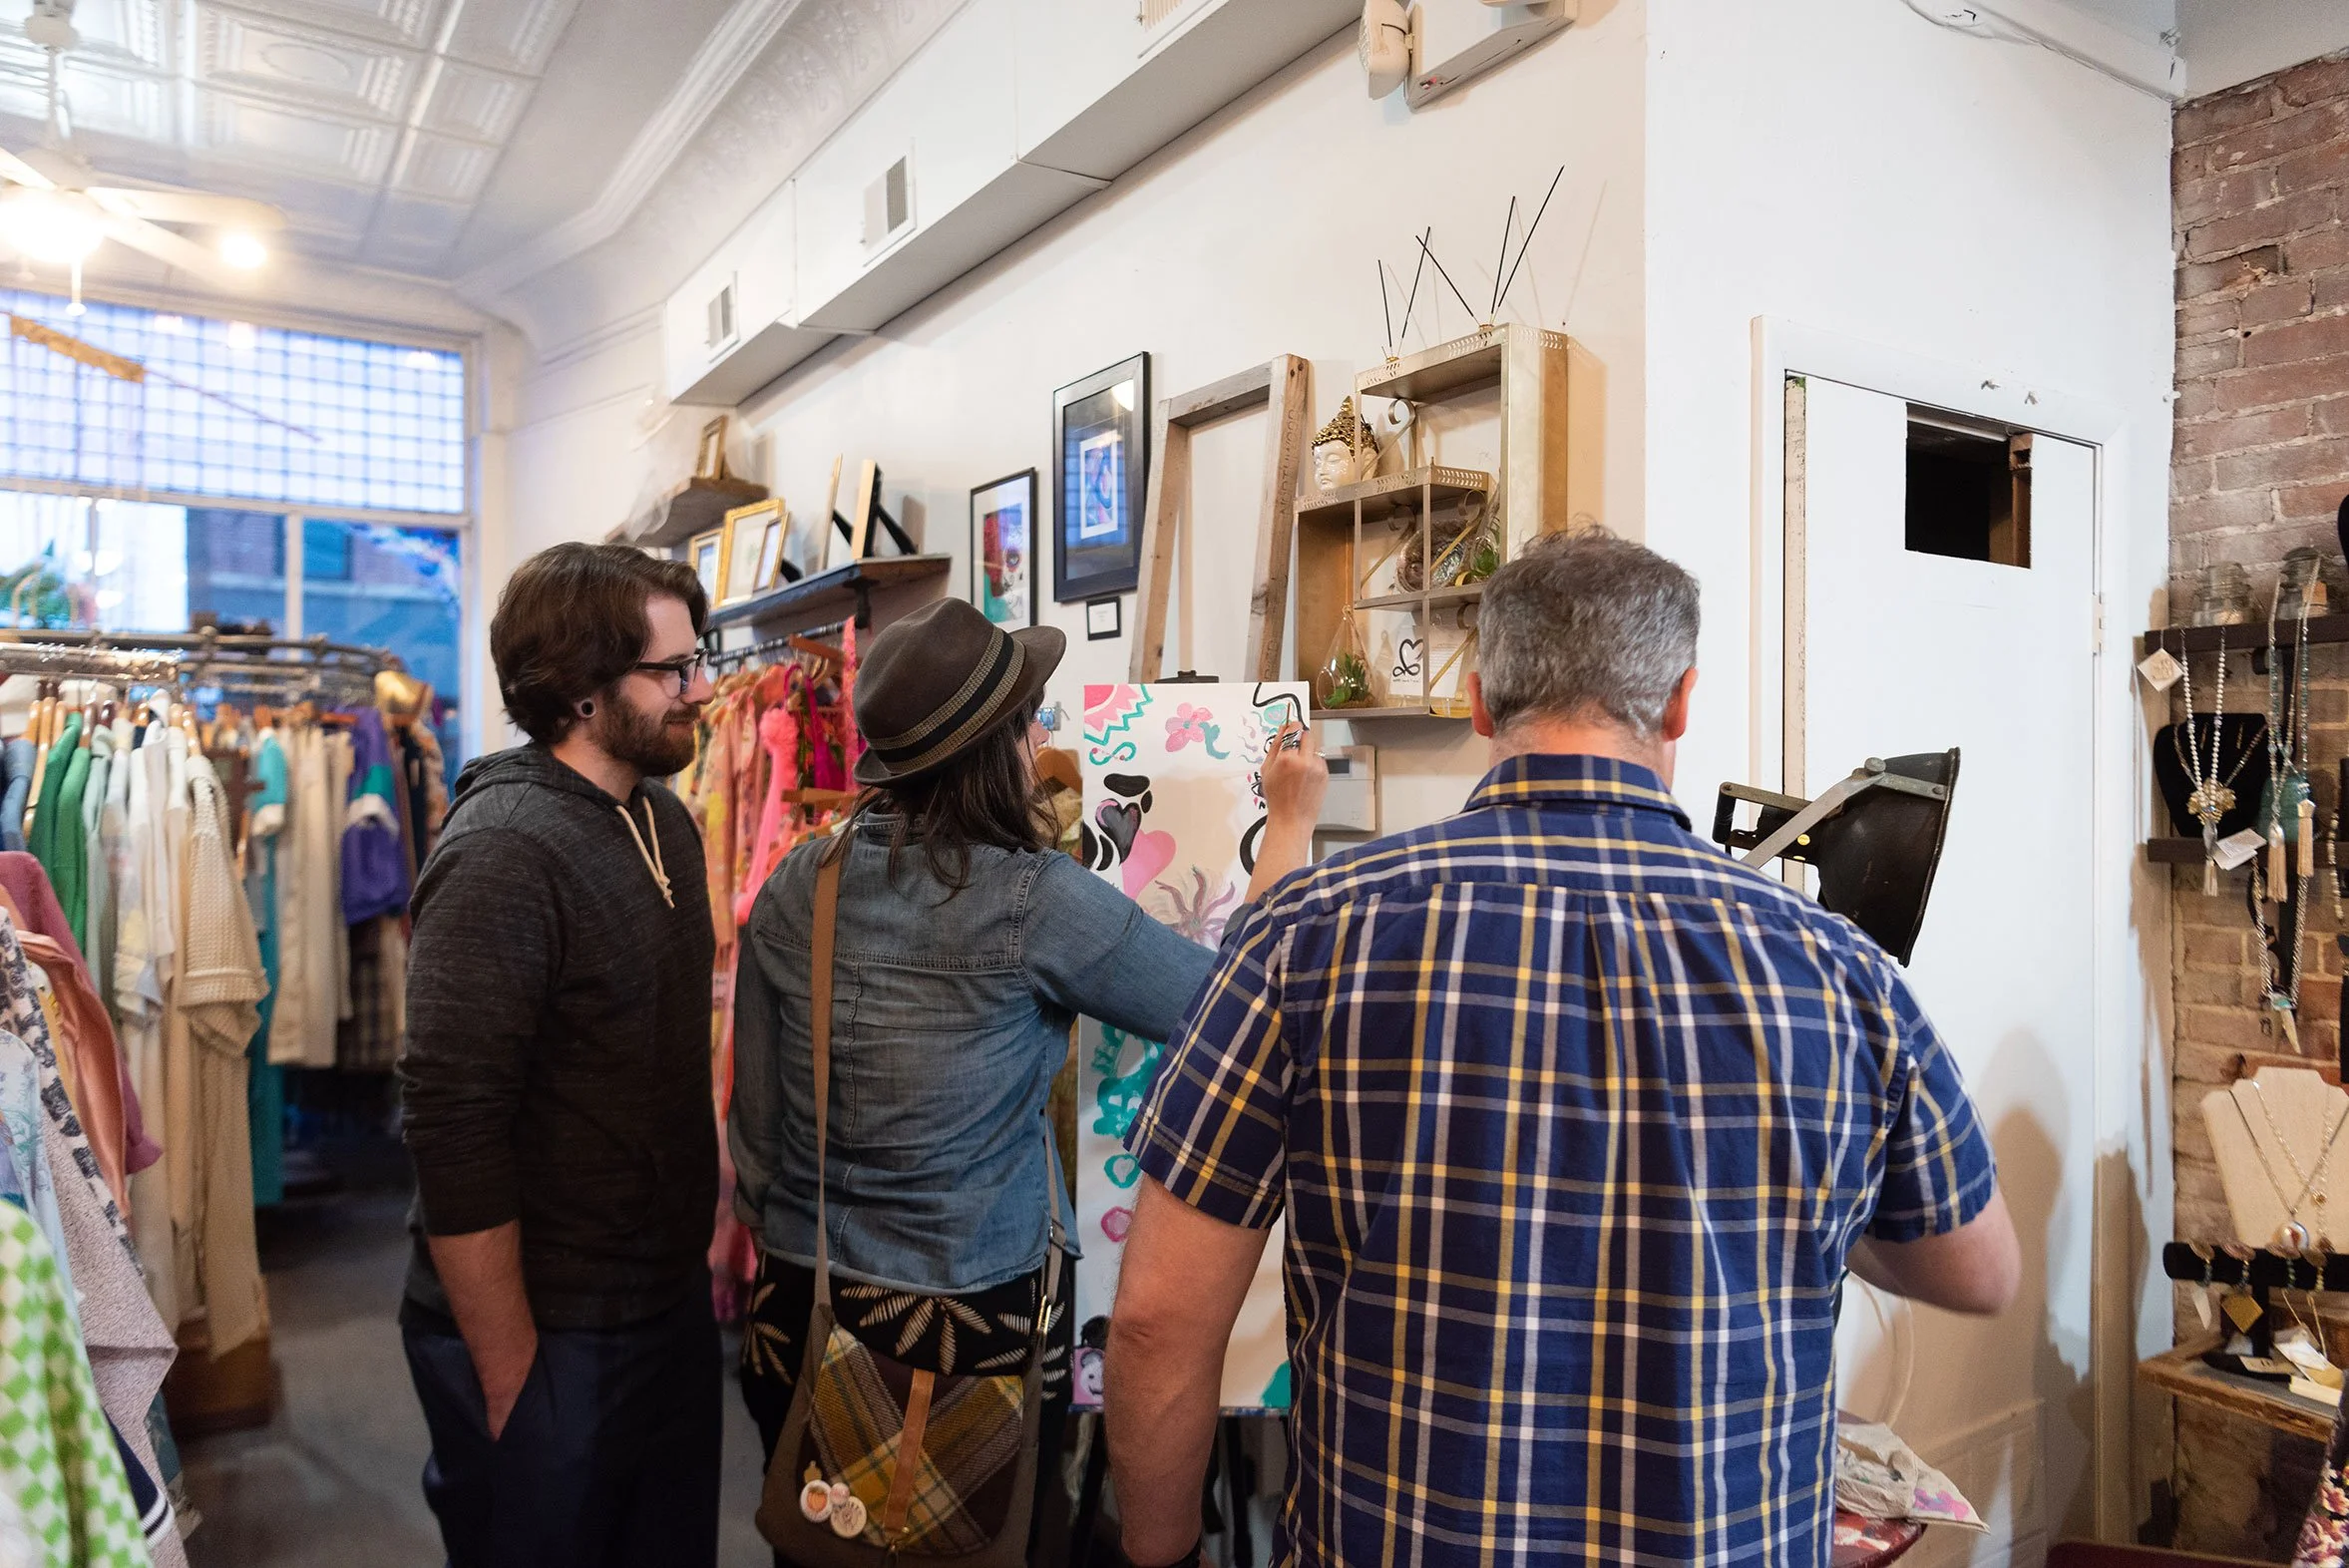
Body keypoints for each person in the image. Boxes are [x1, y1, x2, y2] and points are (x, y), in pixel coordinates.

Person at [1107, 531, 2022, 1568]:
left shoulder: (1305, 933)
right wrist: (1788, 1198)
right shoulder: (1836, 970)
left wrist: (1160, 1556)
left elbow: (1157, 1322)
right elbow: (1980, 1271)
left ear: (1481, 704)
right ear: (1680, 704)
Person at [728, 597, 1320, 1559]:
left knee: (818, 1545)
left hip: (801, 1302)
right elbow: (1237, 1007)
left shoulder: (803, 880)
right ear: (995, 750)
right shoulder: (1031, 900)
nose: (1044, 736)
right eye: (1032, 720)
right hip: (960, 1328)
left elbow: (755, 1133)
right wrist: (1286, 823)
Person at [398, 542, 722, 1568]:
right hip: (548, 1329)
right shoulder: (504, 850)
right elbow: (452, 1127)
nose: (701, 688)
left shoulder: (661, 818)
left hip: (659, 1306)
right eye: (672, 671)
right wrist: (510, 1374)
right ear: (583, 691)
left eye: (698, 659)